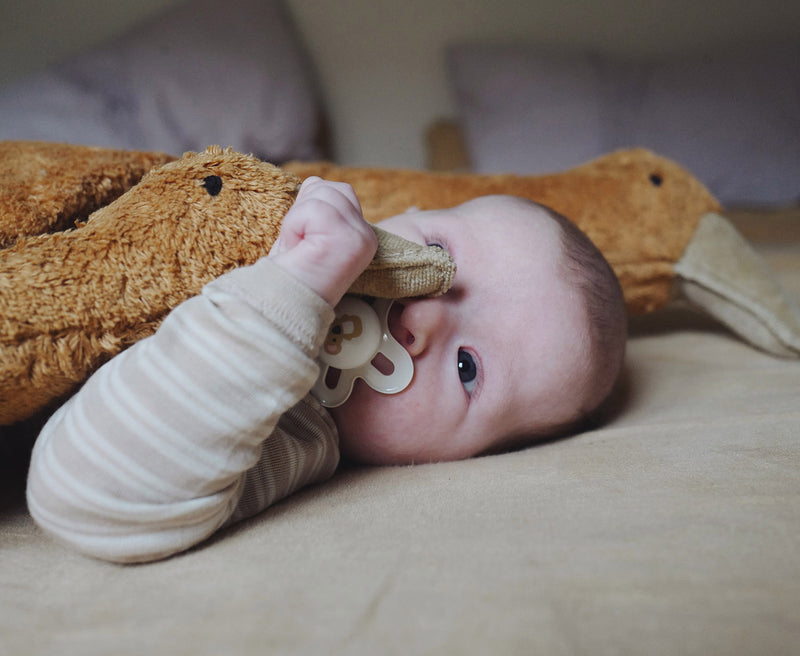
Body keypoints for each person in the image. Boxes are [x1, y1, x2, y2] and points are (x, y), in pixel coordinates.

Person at [26, 177, 626, 563]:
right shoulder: (302, 207)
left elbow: (80, 497)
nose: (423, 319)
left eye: (468, 368)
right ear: (409, 211)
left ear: (460, 459)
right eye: (440, 257)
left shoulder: (299, 434)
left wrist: (291, 292)